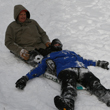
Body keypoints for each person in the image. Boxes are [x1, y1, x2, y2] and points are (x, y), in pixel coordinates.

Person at [15, 39, 110, 110]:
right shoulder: (49, 56)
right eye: (55, 44)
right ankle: (68, 103)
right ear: (52, 46)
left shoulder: (70, 52)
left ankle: (107, 97)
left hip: (81, 68)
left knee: (94, 82)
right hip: (66, 70)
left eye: (59, 43)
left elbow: (84, 60)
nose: (57, 45)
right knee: (68, 85)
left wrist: (99, 63)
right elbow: (39, 69)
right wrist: (25, 78)